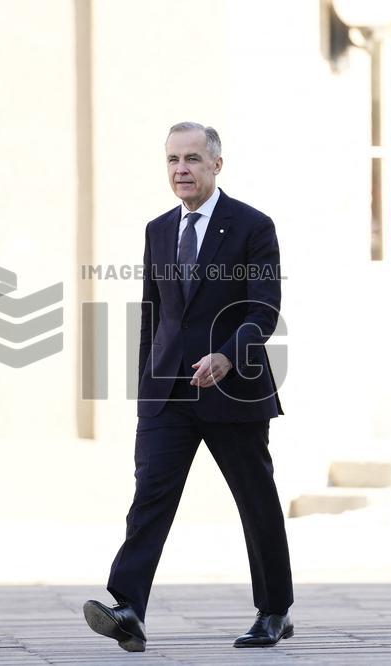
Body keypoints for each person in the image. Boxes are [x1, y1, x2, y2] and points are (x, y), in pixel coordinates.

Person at [83, 122, 293, 651]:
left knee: (255, 499)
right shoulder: (158, 230)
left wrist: (228, 356)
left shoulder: (252, 226)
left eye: (193, 159)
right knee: (150, 496)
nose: (182, 169)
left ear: (216, 165)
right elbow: (152, 315)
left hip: (234, 390)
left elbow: (263, 307)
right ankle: (128, 607)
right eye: (174, 160)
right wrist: (144, 393)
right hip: (168, 393)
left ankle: (274, 610)